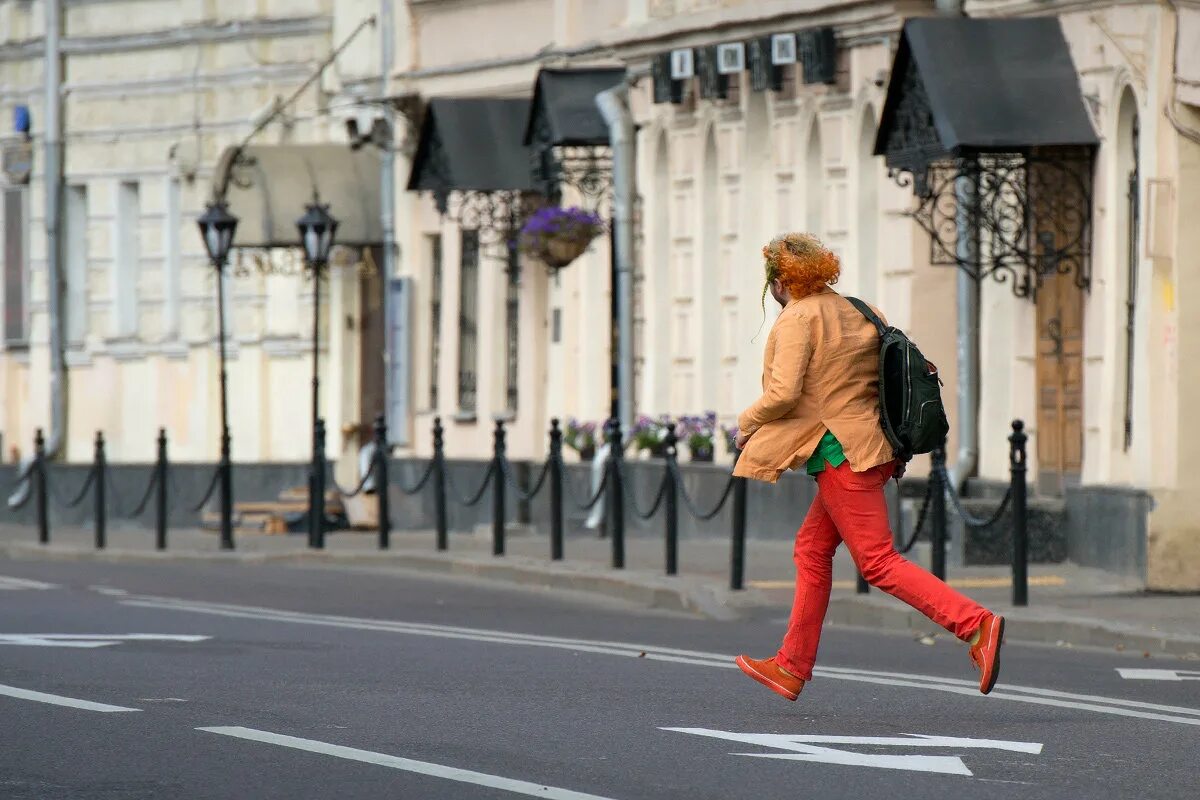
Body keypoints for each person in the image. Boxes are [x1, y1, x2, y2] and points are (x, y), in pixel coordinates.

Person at [732, 232, 1004, 701]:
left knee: (877, 563)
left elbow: (784, 394)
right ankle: (790, 666)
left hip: (842, 456)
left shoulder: (797, 319)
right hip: (874, 449)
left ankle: (976, 625)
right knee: (812, 549)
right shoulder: (859, 309)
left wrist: (744, 425)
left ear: (780, 280)